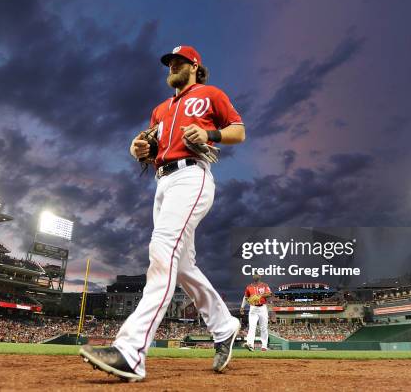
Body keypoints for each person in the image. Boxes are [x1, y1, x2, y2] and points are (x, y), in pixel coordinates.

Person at [80, 45, 246, 381]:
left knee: (162, 251)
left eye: (179, 61)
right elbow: (144, 143)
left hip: (192, 176)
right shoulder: (161, 109)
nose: (172, 65)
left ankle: (131, 351)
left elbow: (239, 131)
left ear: (195, 66)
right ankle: (224, 326)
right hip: (163, 182)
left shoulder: (211, 94)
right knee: (181, 265)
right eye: (170, 62)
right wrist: (138, 148)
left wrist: (211, 134)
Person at [240, 274, 271, 351]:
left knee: (263, 328)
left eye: (257, 275)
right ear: (253, 277)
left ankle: (264, 346)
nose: (255, 276)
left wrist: (260, 295)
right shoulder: (249, 287)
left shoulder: (264, 285)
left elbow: (269, 294)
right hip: (253, 308)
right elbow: (246, 297)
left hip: (262, 308)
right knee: (252, 327)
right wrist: (242, 307)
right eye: (254, 275)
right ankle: (250, 344)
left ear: (260, 277)